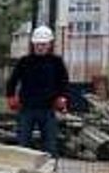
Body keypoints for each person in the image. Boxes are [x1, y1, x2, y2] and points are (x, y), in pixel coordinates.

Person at [6, 25, 69, 157]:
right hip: (27, 109)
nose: (40, 47)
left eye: (43, 44)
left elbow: (63, 82)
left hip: (48, 109)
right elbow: (12, 81)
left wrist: (62, 97)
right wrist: (11, 96)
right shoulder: (24, 61)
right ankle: (22, 172)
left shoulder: (56, 62)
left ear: (49, 44)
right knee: (23, 144)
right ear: (33, 44)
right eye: (37, 44)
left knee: (50, 146)